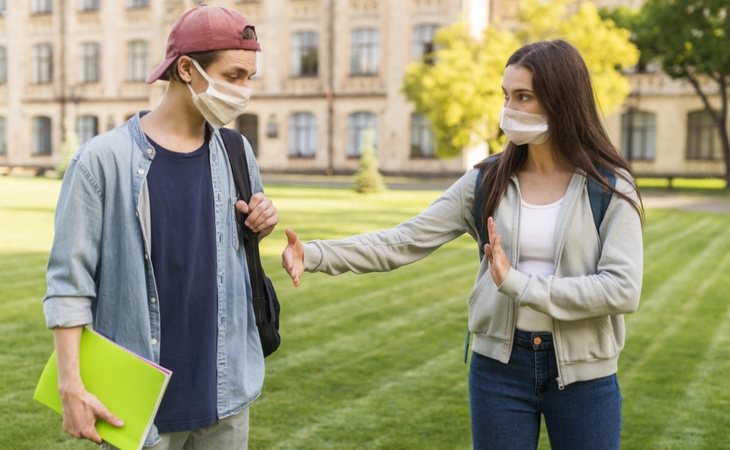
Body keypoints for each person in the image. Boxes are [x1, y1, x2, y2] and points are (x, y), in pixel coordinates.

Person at [282, 39, 643, 449]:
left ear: (561, 100)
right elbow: (403, 240)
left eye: (524, 97)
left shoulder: (609, 186)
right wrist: (313, 253)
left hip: (585, 373)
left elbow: (622, 288)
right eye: (506, 95)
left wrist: (518, 284)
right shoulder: (485, 181)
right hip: (499, 369)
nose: (509, 109)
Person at [42, 5, 277, 449]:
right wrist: (70, 387)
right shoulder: (101, 162)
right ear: (187, 69)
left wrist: (260, 222)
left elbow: (230, 247)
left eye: (250, 78)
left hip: (225, 397)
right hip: (137, 405)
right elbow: (68, 286)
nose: (244, 91)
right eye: (234, 75)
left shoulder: (236, 151)